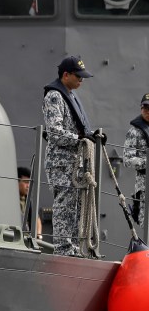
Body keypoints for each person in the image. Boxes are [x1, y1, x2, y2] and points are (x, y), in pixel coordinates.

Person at [42, 56, 105, 257]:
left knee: (77, 207)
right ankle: (63, 249)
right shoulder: (55, 96)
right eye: (78, 76)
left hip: (75, 163)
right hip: (61, 163)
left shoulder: (71, 95)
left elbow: (78, 129)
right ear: (65, 75)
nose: (82, 80)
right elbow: (54, 132)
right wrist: (79, 138)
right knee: (65, 204)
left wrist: (92, 136)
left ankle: (74, 248)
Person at [124, 93, 149, 227]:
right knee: (145, 227)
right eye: (145, 108)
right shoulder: (134, 132)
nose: (147, 111)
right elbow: (127, 159)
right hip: (144, 186)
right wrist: (147, 163)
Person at [17, 166, 43, 240]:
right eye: (25, 182)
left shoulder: (28, 201)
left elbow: (36, 219)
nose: (28, 186)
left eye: (29, 183)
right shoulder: (11, 199)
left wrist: (38, 236)